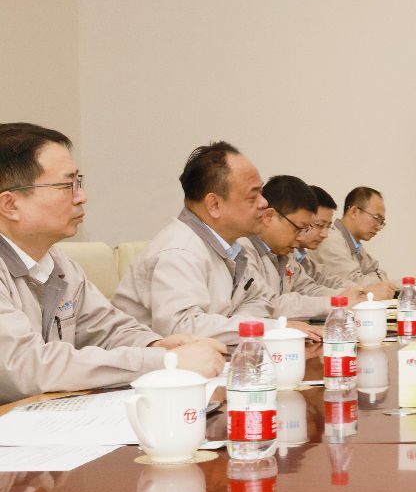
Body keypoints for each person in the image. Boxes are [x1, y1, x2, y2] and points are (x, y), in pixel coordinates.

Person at [0, 123, 224, 403]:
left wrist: (156, 344)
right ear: (10, 205)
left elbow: (107, 328)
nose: (82, 197)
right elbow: (25, 368)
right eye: (67, 185)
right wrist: (165, 362)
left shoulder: (58, 263)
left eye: (79, 182)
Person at [113, 142, 319, 345]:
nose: (264, 203)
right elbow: (183, 327)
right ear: (214, 205)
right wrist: (273, 328)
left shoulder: (232, 249)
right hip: (159, 364)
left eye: (261, 193)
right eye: (253, 195)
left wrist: (238, 324)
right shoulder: (179, 251)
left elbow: (261, 299)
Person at [241, 176, 373, 319]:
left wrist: (349, 297)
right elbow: (268, 304)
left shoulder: (285, 254)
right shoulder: (244, 251)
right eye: (298, 228)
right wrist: (336, 302)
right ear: (269, 217)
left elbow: (308, 289)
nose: (300, 238)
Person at [296, 184, 394, 300]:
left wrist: (361, 293)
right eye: (377, 218)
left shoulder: (354, 244)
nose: (325, 234)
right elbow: (355, 281)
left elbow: (323, 283)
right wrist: (363, 294)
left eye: (328, 226)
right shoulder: (331, 241)